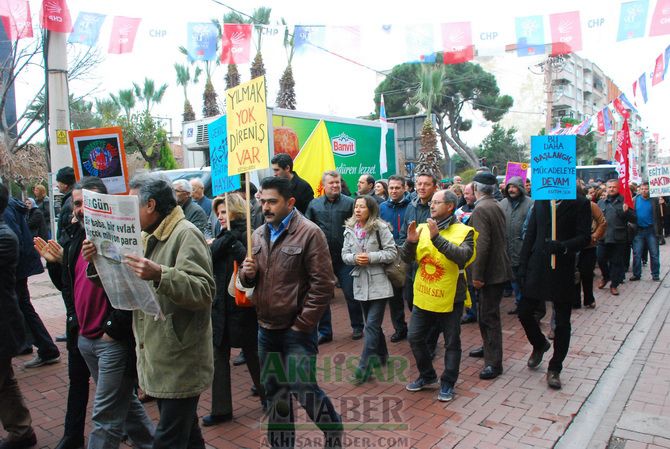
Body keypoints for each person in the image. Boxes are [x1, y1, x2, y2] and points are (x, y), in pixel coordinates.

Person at [40, 177, 155, 449]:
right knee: (124, 403)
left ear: (103, 205)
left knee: (104, 416)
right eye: (77, 204)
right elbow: (68, 286)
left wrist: (113, 329)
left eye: (87, 204)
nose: (80, 209)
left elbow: (133, 289)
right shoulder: (74, 238)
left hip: (111, 341)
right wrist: (56, 264)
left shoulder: (122, 237)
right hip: (85, 338)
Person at [239, 176, 343, 449]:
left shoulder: (309, 233)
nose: (266, 207)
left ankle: (333, 430)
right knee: (275, 393)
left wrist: (303, 324)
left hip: (296, 330)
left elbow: (324, 285)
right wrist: (247, 275)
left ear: (290, 202)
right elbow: (250, 280)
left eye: (273, 202)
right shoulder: (257, 234)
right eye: (263, 201)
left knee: (303, 389)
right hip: (266, 329)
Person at [126, 173, 215, 449]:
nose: (128, 214)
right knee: (187, 434)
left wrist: (161, 274)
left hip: (180, 356)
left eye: (132, 206)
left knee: (168, 439)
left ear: (150, 205)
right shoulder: (144, 234)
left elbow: (204, 291)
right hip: (160, 351)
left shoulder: (186, 233)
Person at [401, 190, 476, 402]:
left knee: (452, 342)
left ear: (450, 206)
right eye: (431, 202)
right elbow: (407, 258)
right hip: (424, 295)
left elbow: (463, 257)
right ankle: (427, 376)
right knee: (414, 337)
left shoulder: (465, 231)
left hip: (451, 296)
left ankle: (448, 383)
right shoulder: (422, 228)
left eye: (437, 202)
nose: (431, 206)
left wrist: (437, 239)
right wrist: (410, 242)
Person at [202, 193, 265, 427]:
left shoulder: (250, 235)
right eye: (218, 213)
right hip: (220, 308)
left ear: (236, 211)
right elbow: (208, 257)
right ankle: (221, 409)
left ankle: (269, 398)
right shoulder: (222, 237)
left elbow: (252, 266)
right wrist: (225, 239)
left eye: (224, 212)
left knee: (253, 355)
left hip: (242, 307)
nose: (220, 217)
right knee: (218, 359)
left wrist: (233, 241)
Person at [517, 195, 591, 389]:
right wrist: (522, 264)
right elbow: (531, 233)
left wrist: (564, 247)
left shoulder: (580, 203)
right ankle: (539, 344)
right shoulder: (542, 199)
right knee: (524, 312)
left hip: (563, 268)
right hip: (537, 266)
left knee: (562, 322)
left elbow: (585, 237)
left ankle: (555, 368)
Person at [342, 195, 396, 384]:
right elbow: (344, 255)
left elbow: (392, 253)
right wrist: (355, 259)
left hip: (379, 282)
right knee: (373, 325)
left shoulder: (381, 227)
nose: (357, 210)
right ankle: (383, 356)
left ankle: (363, 369)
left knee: (371, 326)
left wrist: (371, 257)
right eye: (356, 207)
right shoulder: (349, 229)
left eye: (362, 207)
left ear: (370, 209)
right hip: (360, 283)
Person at [0, 183, 38, 449]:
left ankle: (22, 430)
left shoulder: (4, 237)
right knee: (5, 380)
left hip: (2, 323)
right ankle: (22, 430)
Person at [3, 193, 60, 369]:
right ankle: (27, 344)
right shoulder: (10, 204)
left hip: (15, 268)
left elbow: (12, 239)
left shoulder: (6, 208)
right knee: (21, 306)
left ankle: (47, 349)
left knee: (22, 307)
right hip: (18, 265)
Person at [305, 171, 362, 343]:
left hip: (345, 258)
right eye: (332, 183)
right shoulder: (314, 205)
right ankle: (325, 332)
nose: (336, 185)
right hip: (322, 258)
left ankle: (358, 326)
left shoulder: (350, 203)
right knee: (322, 296)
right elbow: (308, 228)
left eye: (337, 182)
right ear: (324, 185)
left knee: (351, 293)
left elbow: (358, 227)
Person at [468, 172, 512, 380]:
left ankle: (494, 362)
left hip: (490, 272)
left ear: (476, 188)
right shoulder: (494, 204)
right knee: (485, 314)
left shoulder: (482, 208)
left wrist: (477, 274)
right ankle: (488, 348)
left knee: (489, 316)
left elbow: (482, 244)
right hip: (496, 269)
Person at [379, 175, 410, 342]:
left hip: (409, 255)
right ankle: (400, 328)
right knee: (395, 297)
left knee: (412, 297)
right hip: (390, 256)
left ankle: (422, 328)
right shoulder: (382, 207)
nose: (394, 190)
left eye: (397, 187)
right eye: (391, 187)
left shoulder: (411, 207)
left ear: (404, 188)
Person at [499, 177, 533, 315]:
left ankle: (527, 305)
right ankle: (520, 303)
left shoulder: (531, 203)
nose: (511, 190)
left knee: (524, 279)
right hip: (507, 249)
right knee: (514, 279)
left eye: (514, 187)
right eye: (509, 187)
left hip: (524, 248)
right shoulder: (502, 203)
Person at [597, 179, 636, 295]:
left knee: (616, 263)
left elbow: (634, 219)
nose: (611, 189)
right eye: (609, 187)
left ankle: (614, 285)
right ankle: (606, 276)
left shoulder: (625, 202)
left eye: (614, 187)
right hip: (603, 237)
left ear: (618, 188)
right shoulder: (601, 203)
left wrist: (626, 212)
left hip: (618, 238)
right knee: (600, 259)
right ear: (606, 188)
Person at [575, 182, 607, 308]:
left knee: (587, 273)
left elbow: (602, 222)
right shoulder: (565, 206)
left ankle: (589, 298)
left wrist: (594, 237)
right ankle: (575, 300)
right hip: (572, 246)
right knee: (574, 274)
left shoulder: (590, 205)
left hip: (588, 246)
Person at [630, 181, 663, 282]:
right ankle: (636, 274)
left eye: (646, 189)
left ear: (650, 189)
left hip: (651, 230)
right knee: (637, 254)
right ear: (639, 189)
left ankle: (655, 274)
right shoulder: (635, 200)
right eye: (642, 189)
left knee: (654, 253)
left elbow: (663, 215)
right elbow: (631, 214)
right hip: (638, 230)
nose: (644, 191)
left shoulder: (655, 200)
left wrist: (663, 204)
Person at [455, 182, 478, 324]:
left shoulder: (480, 210)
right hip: (464, 253)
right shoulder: (459, 210)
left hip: (477, 252)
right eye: (465, 193)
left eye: (469, 193)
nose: (466, 196)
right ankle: (471, 311)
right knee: (467, 284)